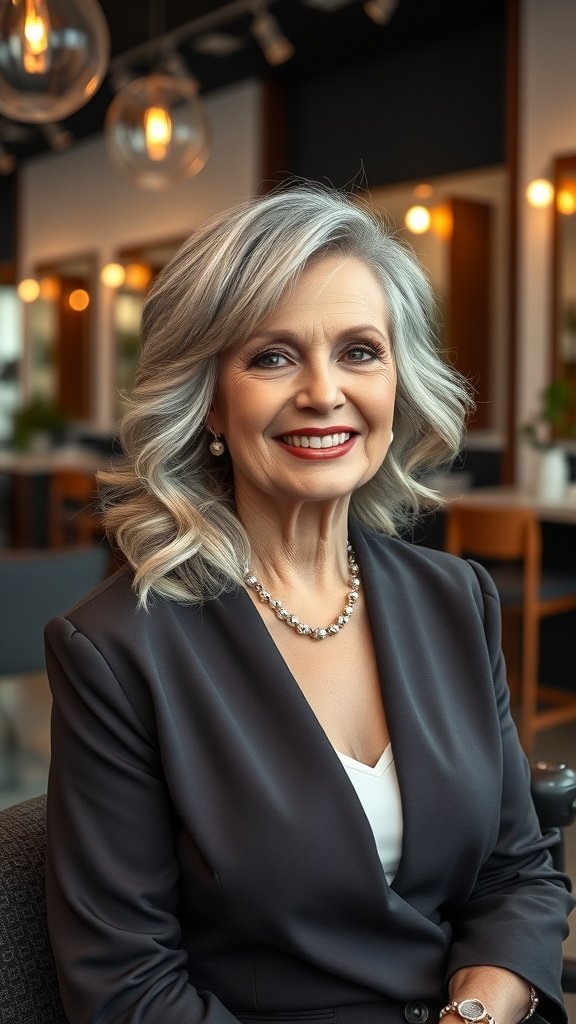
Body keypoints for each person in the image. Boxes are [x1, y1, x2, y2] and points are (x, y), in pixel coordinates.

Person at [44, 183, 573, 1024]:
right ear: (211, 399)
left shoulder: (454, 598)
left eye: (360, 351)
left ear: (398, 383)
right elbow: (126, 989)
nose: (324, 391)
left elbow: (519, 873)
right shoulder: (116, 650)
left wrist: (475, 1014)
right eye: (273, 356)